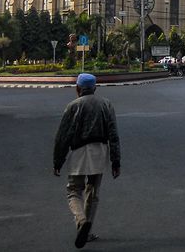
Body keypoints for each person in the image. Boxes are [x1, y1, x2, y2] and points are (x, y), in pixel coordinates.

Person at [53, 73, 120, 249]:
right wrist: (116, 161)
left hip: (79, 152)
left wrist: (57, 161)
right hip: (100, 151)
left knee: (74, 191)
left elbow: (62, 136)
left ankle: (81, 221)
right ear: (95, 88)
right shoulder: (106, 104)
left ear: (77, 88)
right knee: (93, 192)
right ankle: (87, 229)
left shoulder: (73, 106)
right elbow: (113, 134)